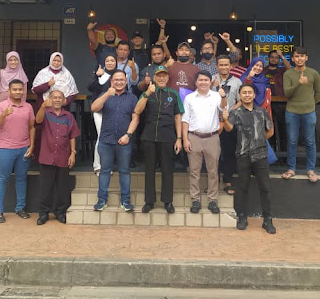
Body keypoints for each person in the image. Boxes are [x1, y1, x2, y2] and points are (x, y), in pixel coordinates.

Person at [223, 84, 276, 233]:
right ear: (240, 96)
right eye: (244, 93)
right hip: (243, 154)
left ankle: (267, 220)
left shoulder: (262, 111)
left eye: (249, 92)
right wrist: (225, 119)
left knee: (265, 187)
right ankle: (242, 217)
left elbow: (270, 131)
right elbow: (228, 128)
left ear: (254, 95)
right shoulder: (236, 112)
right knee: (242, 187)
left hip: (261, 155)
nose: (247, 95)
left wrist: (258, 141)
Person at [133, 65, 184, 214]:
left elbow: (178, 117)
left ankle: (168, 201)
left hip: (168, 136)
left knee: (167, 169)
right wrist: (147, 93)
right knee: (149, 169)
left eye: (164, 76)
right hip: (149, 135)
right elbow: (137, 110)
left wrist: (179, 138)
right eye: (159, 76)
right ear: (154, 78)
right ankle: (149, 201)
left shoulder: (173, 94)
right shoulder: (147, 92)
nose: (161, 78)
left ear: (168, 78)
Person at [91, 70, 139, 212]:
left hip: (124, 140)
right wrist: (107, 94)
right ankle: (101, 200)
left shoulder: (132, 98)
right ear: (112, 81)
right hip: (106, 140)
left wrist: (128, 135)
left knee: (124, 171)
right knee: (105, 171)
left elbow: (135, 118)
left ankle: (125, 201)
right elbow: (94, 108)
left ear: (126, 81)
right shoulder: (105, 95)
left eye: (122, 80)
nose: (119, 82)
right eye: (116, 80)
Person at [0, 79, 35, 223]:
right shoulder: (1, 106)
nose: (18, 92)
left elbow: (32, 127)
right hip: (6, 148)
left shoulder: (28, 107)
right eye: (15, 89)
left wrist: (32, 145)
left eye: (20, 89)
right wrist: (4, 115)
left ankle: (20, 208)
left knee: (21, 179)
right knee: (2, 179)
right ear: (9, 91)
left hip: (24, 148)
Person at [182, 70, 227, 214]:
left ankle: (213, 200)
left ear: (210, 82)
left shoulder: (216, 96)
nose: (203, 82)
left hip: (212, 137)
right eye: (200, 80)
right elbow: (185, 120)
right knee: (194, 171)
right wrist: (185, 139)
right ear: (196, 82)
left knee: (213, 171)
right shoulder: (189, 98)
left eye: (206, 80)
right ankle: (195, 200)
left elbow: (223, 108)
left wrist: (223, 96)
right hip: (194, 137)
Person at [35, 89, 80, 225]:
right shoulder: (45, 113)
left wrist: (73, 153)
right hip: (47, 156)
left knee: (62, 187)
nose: (57, 100)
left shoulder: (68, 116)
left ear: (64, 100)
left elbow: (72, 136)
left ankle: (60, 212)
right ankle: (43, 213)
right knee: (45, 188)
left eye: (60, 97)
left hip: (63, 156)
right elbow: (37, 120)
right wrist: (43, 106)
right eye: (54, 97)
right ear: (50, 99)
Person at [282, 46, 320, 183]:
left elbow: (318, 93)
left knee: (310, 141)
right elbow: (287, 93)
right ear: (292, 59)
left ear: (306, 58)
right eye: (296, 56)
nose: (299, 59)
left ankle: (311, 169)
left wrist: (310, 104)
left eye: (302, 56)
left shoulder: (314, 73)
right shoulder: (288, 74)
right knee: (292, 141)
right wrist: (299, 83)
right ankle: (291, 169)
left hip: (309, 112)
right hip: (292, 111)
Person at [212, 55, 242, 195]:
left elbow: (241, 100)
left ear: (230, 66)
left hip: (230, 120)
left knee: (229, 151)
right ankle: (214, 182)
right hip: (213, 121)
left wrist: (231, 111)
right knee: (214, 153)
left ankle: (228, 180)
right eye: (221, 65)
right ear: (217, 66)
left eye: (226, 65)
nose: (224, 67)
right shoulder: (211, 79)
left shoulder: (237, 82)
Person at [87, 53, 118, 174]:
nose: (110, 63)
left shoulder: (118, 74)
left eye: (112, 60)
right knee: (102, 136)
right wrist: (96, 75)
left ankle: (107, 165)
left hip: (114, 110)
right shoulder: (99, 73)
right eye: (107, 61)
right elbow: (90, 87)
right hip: (99, 110)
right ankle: (98, 165)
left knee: (112, 137)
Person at [263, 49, 291, 152]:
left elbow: (289, 68)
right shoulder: (263, 71)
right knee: (269, 131)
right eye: (272, 57)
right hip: (267, 105)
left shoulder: (282, 70)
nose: (274, 59)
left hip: (281, 105)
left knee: (283, 131)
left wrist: (282, 56)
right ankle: (272, 155)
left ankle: (284, 155)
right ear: (268, 58)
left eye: (276, 58)